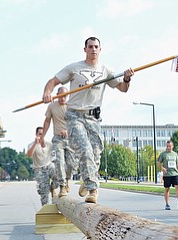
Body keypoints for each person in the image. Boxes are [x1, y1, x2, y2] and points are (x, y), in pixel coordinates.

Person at [42, 37, 134, 204]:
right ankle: (93, 189)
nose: (93, 49)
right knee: (85, 150)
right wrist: (47, 92)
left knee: (96, 153)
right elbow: (53, 81)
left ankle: (86, 180)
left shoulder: (106, 70)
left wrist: (127, 79)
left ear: (100, 49)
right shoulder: (74, 68)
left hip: (94, 117)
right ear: (85, 49)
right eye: (90, 47)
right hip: (75, 115)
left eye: (96, 47)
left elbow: (122, 89)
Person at [40, 86, 76, 198]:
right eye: (60, 96)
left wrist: (68, 131)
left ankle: (66, 180)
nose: (63, 98)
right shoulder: (52, 106)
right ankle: (62, 186)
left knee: (71, 164)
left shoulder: (71, 107)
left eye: (65, 96)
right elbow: (47, 122)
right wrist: (42, 137)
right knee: (59, 163)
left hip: (70, 139)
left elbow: (76, 123)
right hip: (57, 139)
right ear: (57, 95)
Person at [27, 127, 58, 206]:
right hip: (39, 169)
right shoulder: (31, 145)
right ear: (36, 134)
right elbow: (29, 155)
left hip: (49, 166)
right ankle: (45, 208)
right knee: (44, 192)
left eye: (43, 134)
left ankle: (53, 188)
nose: (41, 136)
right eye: (39, 134)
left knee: (59, 176)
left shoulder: (49, 144)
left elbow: (55, 155)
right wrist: (35, 143)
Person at [158, 140, 178, 210]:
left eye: (170, 146)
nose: (168, 148)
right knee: (167, 189)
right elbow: (159, 163)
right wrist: (162, 168)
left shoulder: (175, 154)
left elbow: (177, 164)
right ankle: (167, 204)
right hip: (167, 174)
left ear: (172, 146)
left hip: (175, 173)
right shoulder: (163, 154)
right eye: (167, 146)